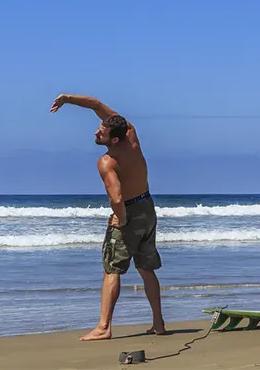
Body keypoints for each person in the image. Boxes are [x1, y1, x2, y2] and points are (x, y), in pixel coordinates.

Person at [50, 94, 166, 341]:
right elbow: (96, 104)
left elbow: (116, 197)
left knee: (111, 269)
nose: (95, 133)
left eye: (101, 132)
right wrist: (67, 99)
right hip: (147, 206)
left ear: (114, 139)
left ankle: (104, 327)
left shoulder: (107, 162)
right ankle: (158, 323)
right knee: (146, 268)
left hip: (129, 212)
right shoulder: (131, 133)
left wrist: (121, 219)